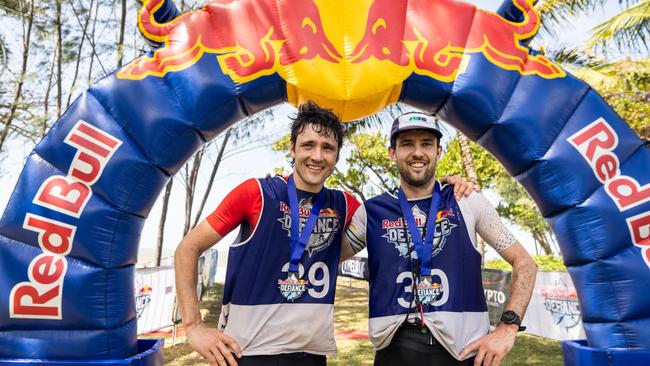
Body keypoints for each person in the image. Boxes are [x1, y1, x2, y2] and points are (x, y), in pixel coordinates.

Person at [175, 102, 476, 366]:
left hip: (311, 355)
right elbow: (187, 249)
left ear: (336, 157)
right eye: (308, 145)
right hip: (247, 351)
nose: (317, 156)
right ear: (291, 149)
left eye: (327, 148)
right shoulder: (256, 193)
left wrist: (449, 187)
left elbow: (407, 203)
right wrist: (193, 325)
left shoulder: (346, 205)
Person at [343, 112, 538, 366]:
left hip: (462, 353)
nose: (417, 152)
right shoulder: (371, 211)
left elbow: (525, 263)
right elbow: (326, 256)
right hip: (394, 352)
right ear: (392, 153)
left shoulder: (466, 200)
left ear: (439, 151)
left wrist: (508, 328)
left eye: (426, 143)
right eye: (407, 144)